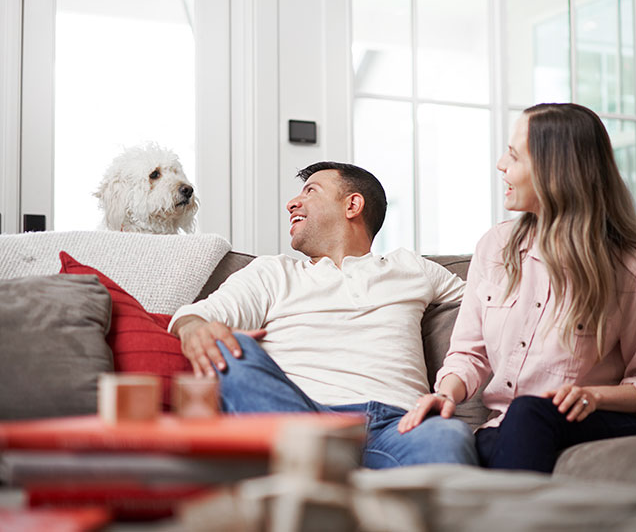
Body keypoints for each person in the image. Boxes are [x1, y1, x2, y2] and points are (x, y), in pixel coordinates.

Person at [398, 103, 636, 473]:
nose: (501, 164)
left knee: (528, 412)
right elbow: (469, 354)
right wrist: (445, 394)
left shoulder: (630, 268)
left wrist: (594, 396)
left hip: (591, 421)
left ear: (556, 171)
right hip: (509, 425)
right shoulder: (495, 248)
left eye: (514, 156)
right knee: (464, 442)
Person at [169, 161, 478, 469]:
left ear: (352, 205)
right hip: (303, 420)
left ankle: (323, 477)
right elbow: (198, 317)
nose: (292, 203)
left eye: (310, 191)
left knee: (447, 434)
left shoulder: (411, 267)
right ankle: (325, 470)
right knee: (230, 348)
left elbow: (490, 303)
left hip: (402, 426)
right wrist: (193, 328)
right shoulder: (272, 272)